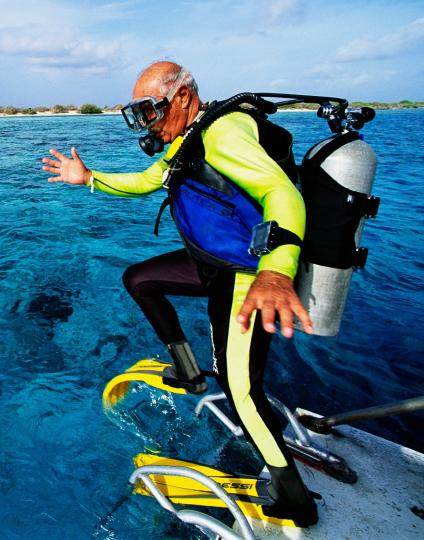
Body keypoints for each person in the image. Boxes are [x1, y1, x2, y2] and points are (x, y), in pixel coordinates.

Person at [41, 61, 319, 526]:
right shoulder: (189, 139)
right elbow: (148, 181)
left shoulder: (223, 133)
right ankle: (189, 371)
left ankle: (295, 498)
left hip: (247, 275)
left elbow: (283, 195)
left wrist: (276, 270)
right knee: (140, 279)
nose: (147, 123)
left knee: (242, 391)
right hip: (213, 264)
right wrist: (88, 178)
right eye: (139, 114)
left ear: (184, 97)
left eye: (150, 110)